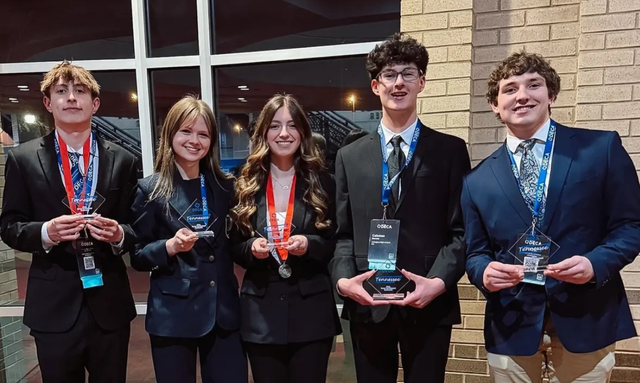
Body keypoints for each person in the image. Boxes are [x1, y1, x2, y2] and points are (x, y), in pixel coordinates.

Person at [462, 51, 640, 383]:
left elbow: (630, 225)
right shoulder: (476, 181)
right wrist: (483, 271)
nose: (522, 95)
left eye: (534, 85)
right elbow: (474, 252)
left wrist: (595, 264)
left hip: (587, 316)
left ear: (551, 95)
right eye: (510, 89)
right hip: (511, 323)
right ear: (495, 105)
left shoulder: (600, 149)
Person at [330, 33, 470, 383]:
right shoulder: (350, 156)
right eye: (390, 75)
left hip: (428, 300)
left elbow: (462, 231)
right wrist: (345, 280)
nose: (398, 83)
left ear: (422, 82)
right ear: (375, 86)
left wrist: (437, 282)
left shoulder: (450, 151)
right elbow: (343, 233)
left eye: (408, 73)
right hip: (368, 301)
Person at [0, 62, 137, 383]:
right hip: (53, 307)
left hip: (109, 305)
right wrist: (46, 232)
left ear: (95, 103)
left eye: (80, 91)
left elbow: (136, 228)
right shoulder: (22, 159)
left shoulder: (124, 159)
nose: (71, 98)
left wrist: (119, 235)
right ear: (48, 103)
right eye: (61, 91)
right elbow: (9, 226)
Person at [130, 96, 248, 383]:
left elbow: (235, 243)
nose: (194, 140)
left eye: (203, 134)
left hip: (223, 313)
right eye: (186, 131)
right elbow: (137, 254)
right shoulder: (151, 190)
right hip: (173, 314)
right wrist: (169, 246)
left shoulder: (225, 187)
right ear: (170, 133)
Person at [230, 94, 341, 383]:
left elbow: (335, 241)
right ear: (263, 131)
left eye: (292, 126)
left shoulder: (323, 181)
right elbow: (233, 245)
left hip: (312, 314)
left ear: (302, 132)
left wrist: (309, 244)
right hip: (261, 314)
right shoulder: (244, 183)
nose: (284, 134)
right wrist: (251, 249)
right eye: (275, 125)